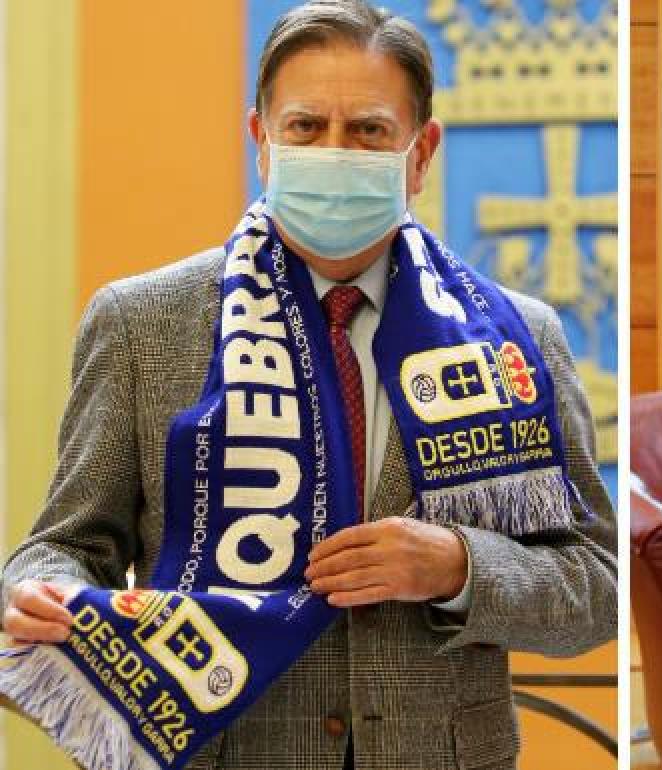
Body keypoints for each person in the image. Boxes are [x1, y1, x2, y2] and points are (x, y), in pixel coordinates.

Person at [0, 2, 616, 769]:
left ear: (420, 154)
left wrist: (458, 565)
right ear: (261, 140)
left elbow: (597, 588)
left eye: (367, 131)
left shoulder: (521, 337)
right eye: (305, 127)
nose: (334, 150)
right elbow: (61, 548)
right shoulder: (139, 323)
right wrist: (39, 594)